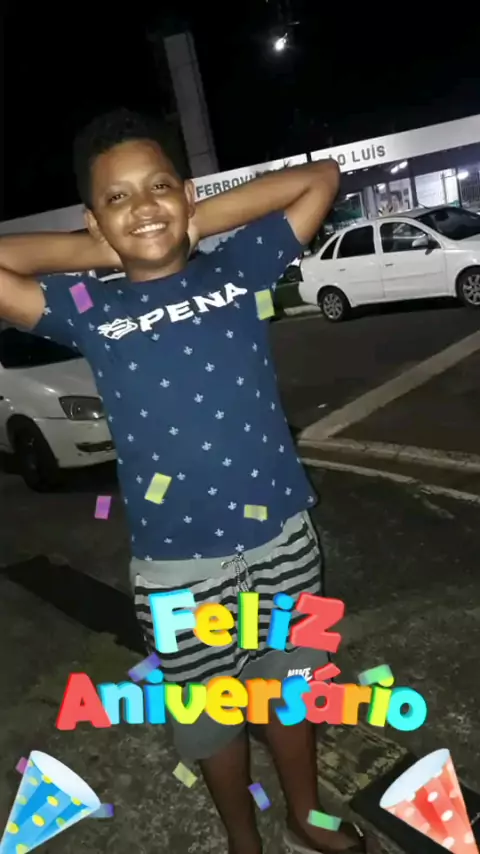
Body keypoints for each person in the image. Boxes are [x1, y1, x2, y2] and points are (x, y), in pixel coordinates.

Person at [0, 108, 366, 854]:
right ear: (92, 218)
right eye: (118, 197)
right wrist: (97, 248)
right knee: (210, 723)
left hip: (284, 544)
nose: (143, 206)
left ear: (189, 191)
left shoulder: (235, 270)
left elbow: (320, 178)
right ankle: (243, 841)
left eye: (159, 186)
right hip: (179, 572)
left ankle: (305, 818)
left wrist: (190, 220)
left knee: (292, 696)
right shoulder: (88, 306)